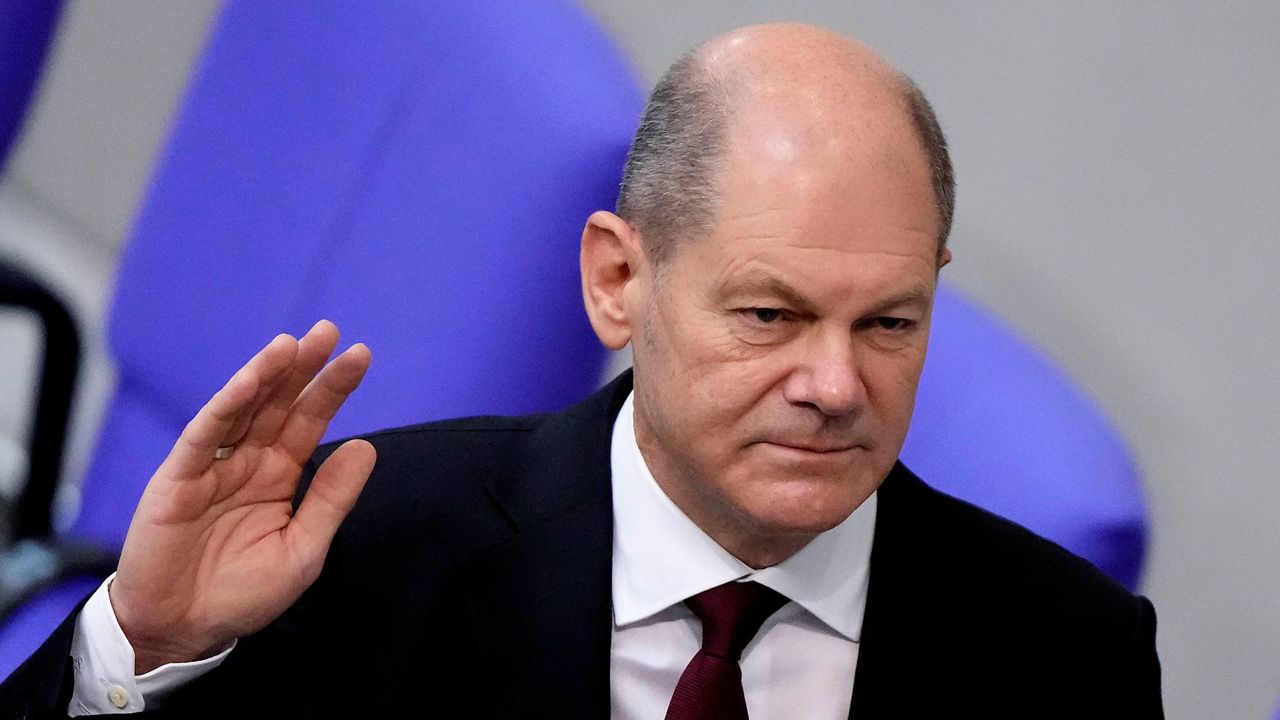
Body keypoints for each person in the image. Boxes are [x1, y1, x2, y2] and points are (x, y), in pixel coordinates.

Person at [0, 22, 1162, 719]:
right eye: (769, 315)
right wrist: (141, 648)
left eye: (889, 325)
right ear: (617, 281)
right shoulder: (364, 553)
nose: (834, 385)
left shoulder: (1066, 662)